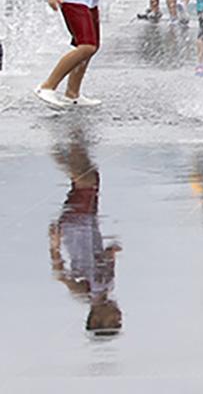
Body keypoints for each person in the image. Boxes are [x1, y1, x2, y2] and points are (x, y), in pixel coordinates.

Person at [49, 133, 122, 338]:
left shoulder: (85, 292)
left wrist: (54, 245)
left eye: (113, 320)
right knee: (91, 177)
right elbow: (104, 259)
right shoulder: (107, 286)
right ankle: (75, 138)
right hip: (88, 221)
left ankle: (63, 147)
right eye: (119, 320)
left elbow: (60, 273)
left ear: (96, 318)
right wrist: (112, 251)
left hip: (75, 226)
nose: (118, 316)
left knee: (85, 181)